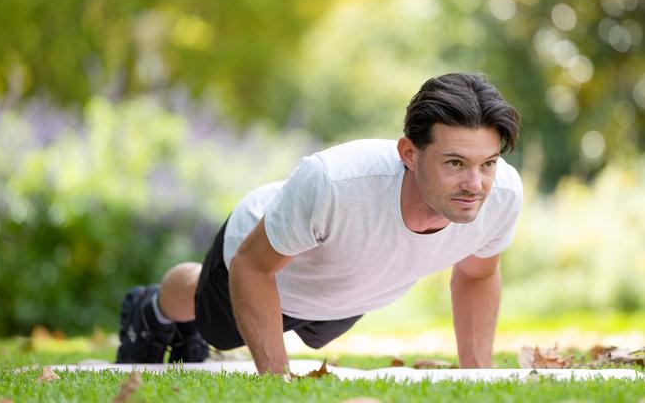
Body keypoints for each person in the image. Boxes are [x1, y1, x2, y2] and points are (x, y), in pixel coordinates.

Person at [115, 72, 522, 374]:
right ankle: (151, 309)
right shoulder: (334, 182)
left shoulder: (501, 192)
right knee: (217, 328)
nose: (475, 185)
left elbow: (476, 275)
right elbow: (253, 267)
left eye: (487, 163)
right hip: (258, 258)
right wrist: (279, 382)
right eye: (454, 163)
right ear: (409, 154)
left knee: (315, 330)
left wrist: (477, 377)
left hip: (346, 284)